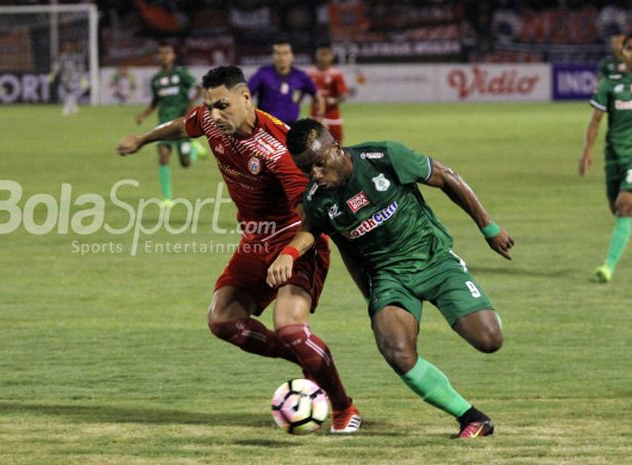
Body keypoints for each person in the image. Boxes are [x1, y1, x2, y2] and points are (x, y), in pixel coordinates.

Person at [117, 66, 362, 433]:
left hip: (297, 237)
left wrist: (290, 253)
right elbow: (184, 124)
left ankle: (344, 408)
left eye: (223, 105)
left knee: (290, 327)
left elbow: (313, 219)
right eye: (210, 106)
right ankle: (305, 359)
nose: (215, 115)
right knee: (222, 320)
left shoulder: (278, 149)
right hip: (254, 241)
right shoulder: (211, 120)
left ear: (245, 97)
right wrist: (142, 138)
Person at [267, 119, 514, 438]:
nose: (315, 174)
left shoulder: (384, 158)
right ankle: (471, 417)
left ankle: (472, 304)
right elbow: (326, 240)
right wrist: (292, 255)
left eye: (319, 163)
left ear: (336, 148)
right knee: (395, 349)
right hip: (389, 279)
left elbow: (447, 177)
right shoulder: (318, 200)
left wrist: (489, 228)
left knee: (489, 340)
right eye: (306, 170)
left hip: (434, 259)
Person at [580, 33, 632, 283]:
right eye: (630, 48)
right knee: (617, 209)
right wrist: (586, 151)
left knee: (625, 206)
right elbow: (596, 121)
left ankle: (607, 268)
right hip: (613, 157)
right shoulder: (610, 84)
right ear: (623, 52)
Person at [135, 43, 203, 206]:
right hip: (163, 124)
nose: (164, 56)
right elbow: (155, 102)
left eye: (167, 53)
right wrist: (143, 115)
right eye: (161, 53)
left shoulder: (181, 74)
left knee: (185, 163)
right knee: (163, 156)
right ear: (158, 57)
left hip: (181, 125)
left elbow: (199, 88)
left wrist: (191, 103)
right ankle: (167, 198)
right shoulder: (156, 80)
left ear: (173, 56)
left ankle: (193, 149)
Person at [248, 40, 325, 126]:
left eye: (285, 53)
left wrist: (320, 116)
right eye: (278, 53)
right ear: (273, 56)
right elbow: (246, 95)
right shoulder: (263, 74)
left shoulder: (301, 76)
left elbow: (317, 96)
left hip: (291, 128)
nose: (282, 57)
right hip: (266, 128)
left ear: (292, 56)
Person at [307, 44, 349, 144]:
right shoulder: (310, 73)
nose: (323, 58)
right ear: (317, 56)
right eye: (321, 54)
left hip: (333, 116)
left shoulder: (336, 74)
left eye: (326, 55)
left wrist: (333, 100)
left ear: (331, 57)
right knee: (314, 145)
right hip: (315, 115)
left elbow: (343, 95)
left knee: (337, 144)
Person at [51, 42, 88, 116]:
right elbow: (58, 66)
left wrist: (83, 77)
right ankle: (68, 107)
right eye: (67, 47)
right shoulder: (62, 57)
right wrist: (53, 74)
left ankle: (71, 106)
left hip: (74, 77)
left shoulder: (77, 57)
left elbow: (80, 68)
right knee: (67, 92)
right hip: (65, 77)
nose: (69, 48)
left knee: (73, 92)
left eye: (70, 46)